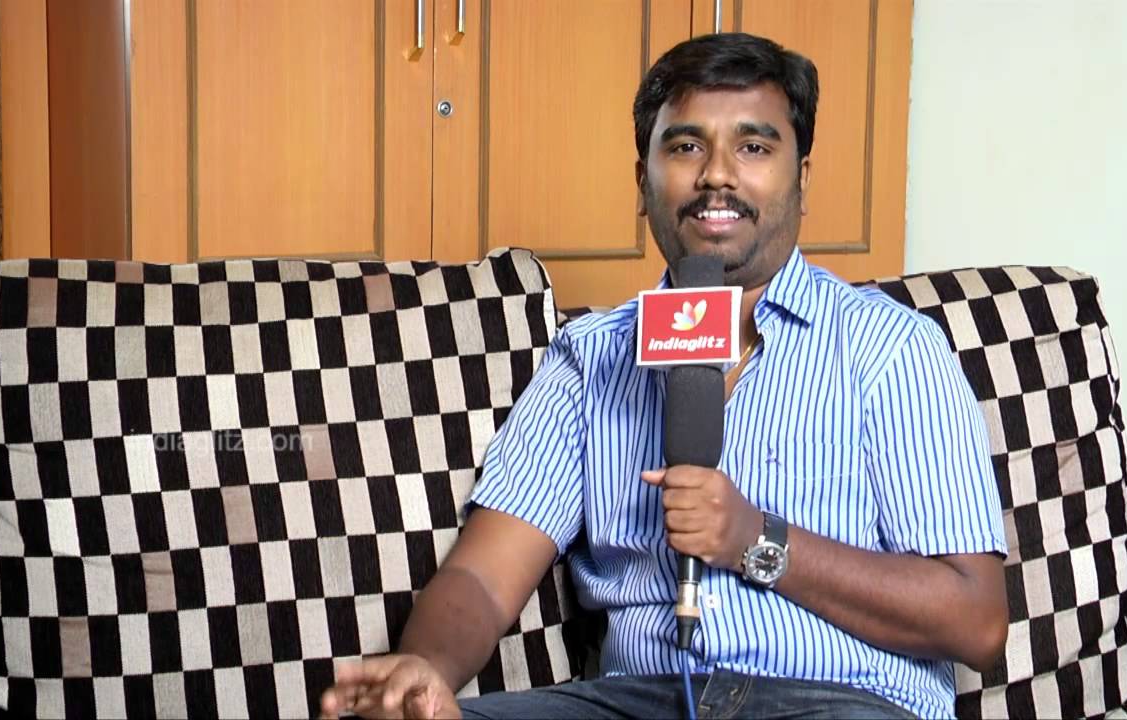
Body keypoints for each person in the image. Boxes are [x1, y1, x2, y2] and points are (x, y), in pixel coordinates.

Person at [320, 32, 1008, 720]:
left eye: (754, 147)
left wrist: (757, 540)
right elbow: (483, 574)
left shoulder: (891, 348)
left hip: (836, 700)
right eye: (684, 147)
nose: (717, 175)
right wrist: (427, 666)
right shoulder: (592, 357)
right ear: (642, 183)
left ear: (802, 180)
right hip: (636, 701)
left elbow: (975, 621)